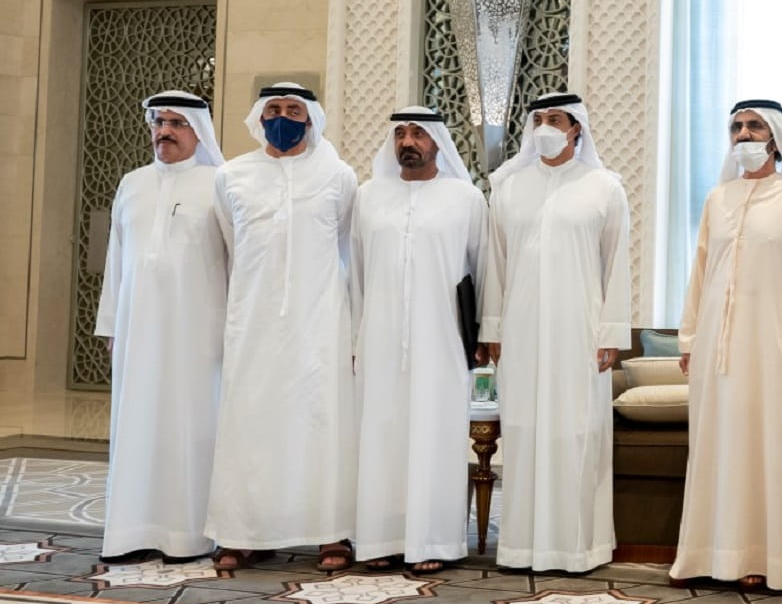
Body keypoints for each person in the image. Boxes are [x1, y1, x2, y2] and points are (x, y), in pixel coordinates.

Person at [671, 100, 782, 590]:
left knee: (772, 449)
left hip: (775, 345)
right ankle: (709, 555)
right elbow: (700, 274)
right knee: (718, 447)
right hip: (716, 348)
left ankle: (770, 559)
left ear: (775, 138)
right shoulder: (717, 199)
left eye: (754, 125)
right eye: (736, 126)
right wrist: (689, 338)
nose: (743, 133)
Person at [206, 82, 359, 573]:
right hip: (253, 321)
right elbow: (233, 243)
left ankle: (329, 532)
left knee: (320, 423)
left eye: (294, 110)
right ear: (257, 117)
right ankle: (243, 533)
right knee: (251, 424)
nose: (283, 117)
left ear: (311, 118)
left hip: (319, 322)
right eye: (273, 109)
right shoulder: (232, 176)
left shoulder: (338, 176)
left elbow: (346, 247)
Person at [479, 92, 631, 574]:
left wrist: (611, 332)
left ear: (576, 129)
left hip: (580, 332)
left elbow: (617, 266)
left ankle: (578, 548)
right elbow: (495, 266)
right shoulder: (507, 187)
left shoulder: (604, 187)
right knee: (524, 432)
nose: (545, 126)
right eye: (539, 118)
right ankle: (521, 546)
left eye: (556, 119)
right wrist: (493, 329)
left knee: (576, 432)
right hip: (521, 332)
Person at [352, 107, 488, 576]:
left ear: (437, 142)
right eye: (401, 133)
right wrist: (355, 336)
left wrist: (484, 335)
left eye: (419, 134)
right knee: (381, 435)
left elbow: (482, 269)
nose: (408, 141)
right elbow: (356, 274)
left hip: (442, 338)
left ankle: (435, 540)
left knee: (436, 435)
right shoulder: (368, 197)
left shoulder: (465, 198)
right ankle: (380, 539)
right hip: (379, 337)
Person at [93, 91, 228, 562]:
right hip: (137, 328)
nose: (163, 131)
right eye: (158, 121)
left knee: (191, 425)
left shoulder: (218, 183)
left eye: (175, 122)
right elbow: (117, 260)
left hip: (198, 330)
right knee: (137, 423)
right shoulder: (132, 183)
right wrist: (110, 325)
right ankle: (131, 532)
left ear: (198, 130)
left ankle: (187, 535)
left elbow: (237, 262)